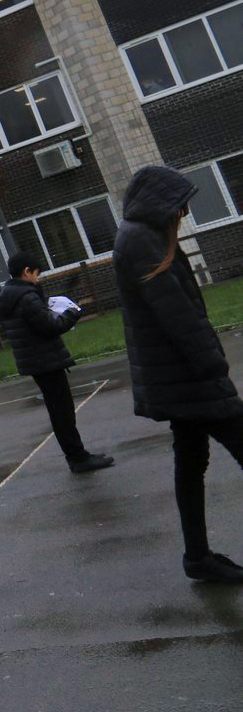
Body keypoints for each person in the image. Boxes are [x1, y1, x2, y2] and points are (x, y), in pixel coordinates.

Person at [113, 165, 243, 585]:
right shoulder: (142, 239)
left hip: (178, 376)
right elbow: (176, 314)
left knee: (191, 463)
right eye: (179, 205)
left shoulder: (142, 235)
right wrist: (211, 365)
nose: (183, 213)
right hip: (188, 376)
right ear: (160, 204)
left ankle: (198, 557)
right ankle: (198, 557)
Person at [0, 251, 114, 473]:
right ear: (26, 272)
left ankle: (77, 455)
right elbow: (50, 327)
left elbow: (31, 324)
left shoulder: (8, 297)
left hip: (35, 359)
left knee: (59, 410)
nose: (38, 279)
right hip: (45, 359)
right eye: (37, 274)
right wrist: (72, 313)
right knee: (62, 411)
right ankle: (77, 458)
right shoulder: (26, 297)